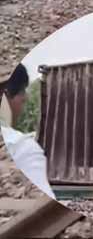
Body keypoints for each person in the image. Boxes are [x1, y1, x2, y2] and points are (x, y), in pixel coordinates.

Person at [0, 64, 57, 200]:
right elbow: (43, 207)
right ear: (6, 95)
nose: (25, 98)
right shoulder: (22, 148)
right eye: (22, 91)